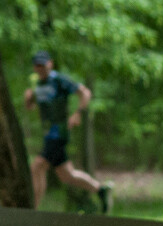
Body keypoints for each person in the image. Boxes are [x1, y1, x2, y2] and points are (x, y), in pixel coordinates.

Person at [24, 50, 112, 213]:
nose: (40, 68)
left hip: (59, 133)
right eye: (37, 66)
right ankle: (100, 190)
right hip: (48, 133)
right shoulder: (37, 84)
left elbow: (85, 93)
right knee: (67, 175)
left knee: (37, 166)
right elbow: (32, 107)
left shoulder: (59, 80)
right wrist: (29, 99)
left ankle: (32, 211)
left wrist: (78, 113)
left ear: (50, 64)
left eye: (43, 65)